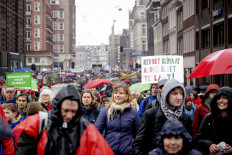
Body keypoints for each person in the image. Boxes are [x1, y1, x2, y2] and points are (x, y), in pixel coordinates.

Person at [13, 85, 114, 155]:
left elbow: (102, 150)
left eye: (73, 111)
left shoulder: (85, 128)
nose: (69, 115)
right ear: (57, 108)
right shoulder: (40, 122)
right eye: (66, 110)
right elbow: (19, 141)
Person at [133, 79, 193, 155]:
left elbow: (189, 145)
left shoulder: (185, 118)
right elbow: (138, 143)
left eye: (181, 94)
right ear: (166, 95)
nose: (179, 97)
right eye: (175, 93)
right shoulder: (150, 115)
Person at [95, 83, 140, 155]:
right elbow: (96, 132)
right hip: (108, 151)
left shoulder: (133, 113)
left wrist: (135, 150)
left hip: (127, 152)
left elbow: (138, 135)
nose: (118, 95)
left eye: (121, 93)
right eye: (116, 93)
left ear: (126, 95)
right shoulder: (105, 111)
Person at [196, 86, 232, 155]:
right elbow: (198, 140)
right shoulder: (209, 118)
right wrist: (210, 145)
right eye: (218, 98)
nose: (221, 101)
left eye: (225, 98)